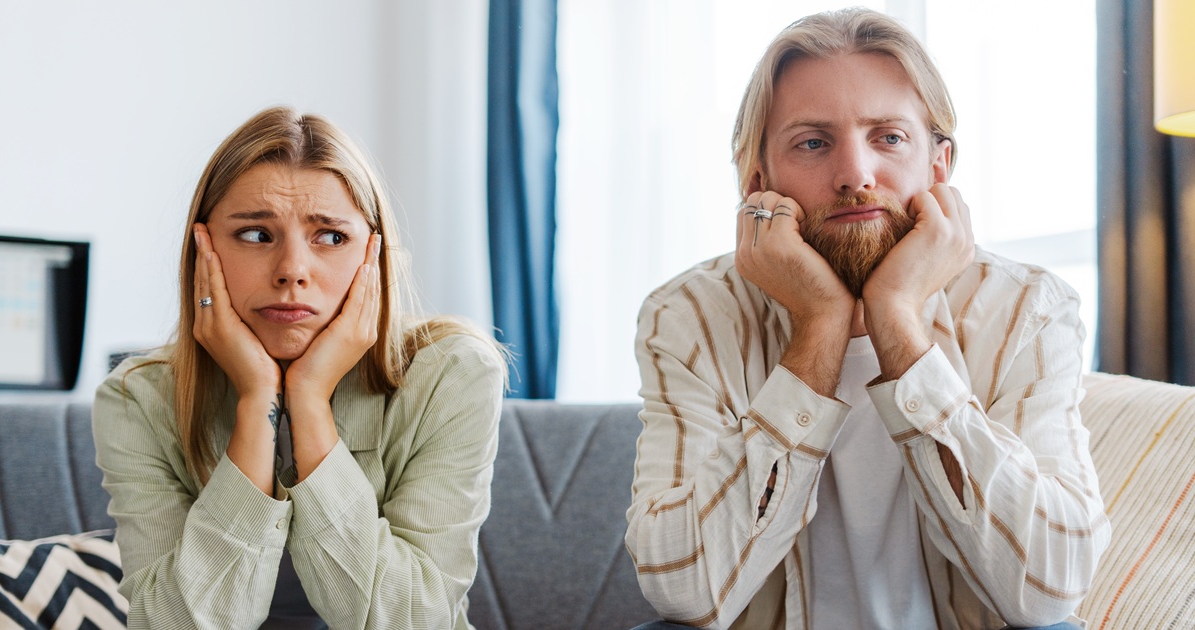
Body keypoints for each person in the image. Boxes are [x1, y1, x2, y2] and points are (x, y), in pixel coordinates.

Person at [626, 8, 1109, 630]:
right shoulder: (688, 315)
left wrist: (898, 322)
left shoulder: (1029, 309)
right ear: (757, 184)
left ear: (939, 167)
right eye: (813, 142)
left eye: (888, 137)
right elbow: (683, 589)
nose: (855, 175)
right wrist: (820, 325)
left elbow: (1051, 589)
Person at [93, 106, 507, 630]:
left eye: (331, 237)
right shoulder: (137, 399)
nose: (292, 270)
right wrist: (257, 399)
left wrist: (309, 400)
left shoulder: (452, 373)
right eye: (255, 235)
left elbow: (410, 620)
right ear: (204, 250)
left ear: (372, 257)